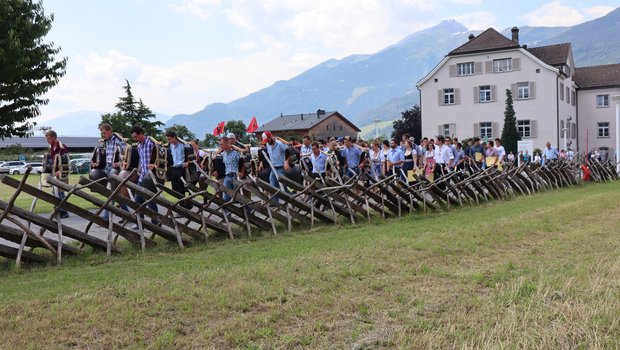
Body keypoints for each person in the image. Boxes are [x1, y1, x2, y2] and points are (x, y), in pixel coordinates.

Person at [97, 123, 129, 220]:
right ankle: (127, 215)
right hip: (108, 167)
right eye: (102, 133)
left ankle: (106, 216)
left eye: (105, 133)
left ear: (110, 131)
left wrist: (119, 162)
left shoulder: (119, 140)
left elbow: (126, 153)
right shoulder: (107, 141)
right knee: (116, 193)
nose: (103, 135)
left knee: (111, 192)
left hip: (116, 169)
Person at [130, 125, 159, 228]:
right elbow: (141, 160)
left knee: (150, 200)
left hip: (151, 176)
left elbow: (161, 155)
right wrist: (139, 170)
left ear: (141, 134)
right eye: (133, 137)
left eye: (136, 136)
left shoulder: (152, 143)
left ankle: (156, 223)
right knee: (137, 200)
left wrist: (155, 164)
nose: (135, 139)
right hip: (142, 176)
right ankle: (140, 223)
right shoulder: (138, 145)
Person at [45, 130, 69, 219]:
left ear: (54, 137)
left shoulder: (62, 147)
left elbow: (66, 160)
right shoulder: (51, 147)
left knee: (60, 191)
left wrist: (60, 171)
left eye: (48, 138)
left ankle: (63, 211)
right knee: (56, 192)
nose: (47, 140)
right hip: (54, 173)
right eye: (47, 139)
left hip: (61, 173)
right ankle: (60, 210)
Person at [165, 130, 191, 210]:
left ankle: (183, 207)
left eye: (169, 139)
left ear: (174, 137)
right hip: (173, 168)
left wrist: (188, 162)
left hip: (181, 168)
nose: (168, 141)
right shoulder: (169, 146)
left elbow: (190, 153)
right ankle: (186, 204)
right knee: (174, 188)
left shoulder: (183, 146)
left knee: (181, 187)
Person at [220, 137, 239, 202]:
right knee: (225, 198)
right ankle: (226, 212)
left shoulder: (236, 153)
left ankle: (248, 211)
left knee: (239, 197)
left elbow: (242, 163)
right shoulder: (223, 154)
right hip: (227, 176)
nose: (220, 146)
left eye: (222, 144)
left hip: (235, 176)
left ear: (227, 143)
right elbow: (214, 155)